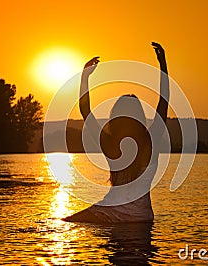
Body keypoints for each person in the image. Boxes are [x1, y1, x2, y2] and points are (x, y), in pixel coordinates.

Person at [63, 42, 169, 223]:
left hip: (110, 214)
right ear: (139, 117)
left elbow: (85, 110)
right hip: (143, 218)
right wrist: (163, 65)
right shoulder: (150, 141)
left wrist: (84, 78)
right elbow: (164, 102)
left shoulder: (110, 143)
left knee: (62, 224)